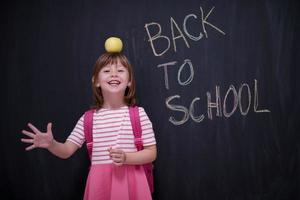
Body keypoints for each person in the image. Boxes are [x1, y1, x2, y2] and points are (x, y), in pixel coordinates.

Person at [21, 52, 157, 200]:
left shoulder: (139, 115)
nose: (113, 74)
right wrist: (51, 144)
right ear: (96, 81)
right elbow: (66, 151)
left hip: (131, 185)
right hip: (100, 186)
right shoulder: (88, 119)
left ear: (129, 81)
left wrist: (126, 157)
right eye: (106, 71)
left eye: (120, 70)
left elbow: (151, 153)